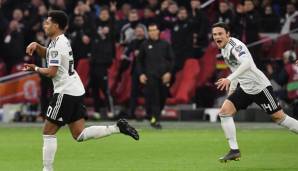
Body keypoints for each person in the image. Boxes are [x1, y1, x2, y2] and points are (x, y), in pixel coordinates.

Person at [22, 10, 139, 171]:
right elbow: (50, 54)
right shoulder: (61, 40)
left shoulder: (57, 44)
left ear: (56, 25)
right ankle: (117, 128)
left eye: (47, 22)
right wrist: (37, 45)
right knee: (79, 134)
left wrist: (35, 67)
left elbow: (51, 72)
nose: (44, 25)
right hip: (75, 89)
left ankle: (47, 169)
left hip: (65, 91)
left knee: (48, 132)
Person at [211, 22, 298, 163]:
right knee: (224, 112)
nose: (217, 37)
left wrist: (228, 79)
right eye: (215, 34)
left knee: (279, 118)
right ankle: (234, 150)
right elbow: (235, 69)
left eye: (220, 33)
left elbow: (247, 64)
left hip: (260, 87)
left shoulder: (235, 46)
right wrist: (231, 91)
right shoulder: (223, 50)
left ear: (228, 34)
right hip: (245, 88)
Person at [137, 23, 175, 129]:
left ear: (158, 31)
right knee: (155, 97)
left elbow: (172, 60)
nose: (152, 32)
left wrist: (169, 73)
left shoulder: (165, 44)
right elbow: (139, 61)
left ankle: (152, 116)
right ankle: (155, 119)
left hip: (164, 77)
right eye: (150, 30)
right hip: (150, 76)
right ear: (148, 32)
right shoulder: (144, 45)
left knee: (163, 97)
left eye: (154, 30)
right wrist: (141, 74)